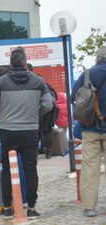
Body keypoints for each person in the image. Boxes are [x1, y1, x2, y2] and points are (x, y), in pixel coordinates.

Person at [0, 47, 52, 219]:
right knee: (31, 169)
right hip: (30, 131)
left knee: (7, 169)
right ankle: (31, 207)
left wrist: (1, 115)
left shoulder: (1, 82)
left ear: (10, 64)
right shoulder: (38, 81)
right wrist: (34, 114)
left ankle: (8, 207)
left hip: (8, 131)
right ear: (25, 62)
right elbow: (48, 104)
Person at [71, 48, 106, 217]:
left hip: (90, 128)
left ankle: (90, 207)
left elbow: (73, 98)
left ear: (98, 59)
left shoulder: (87, 75)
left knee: (90, 168)